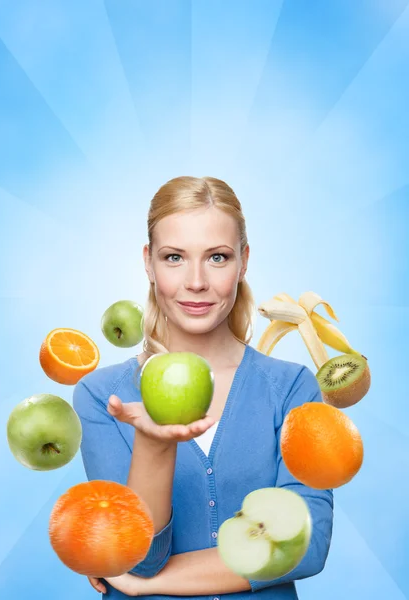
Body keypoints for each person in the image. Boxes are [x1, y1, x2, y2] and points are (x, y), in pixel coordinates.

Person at [73, 176, 334, 599]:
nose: (196, 281)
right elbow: (138, 557)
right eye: (174, 257)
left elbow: (305, 544)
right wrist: (154, 444)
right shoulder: (102, 397)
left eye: (217, 257)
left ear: (244, 261)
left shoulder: (291, 390)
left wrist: (150, 586)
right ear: (148, 261)